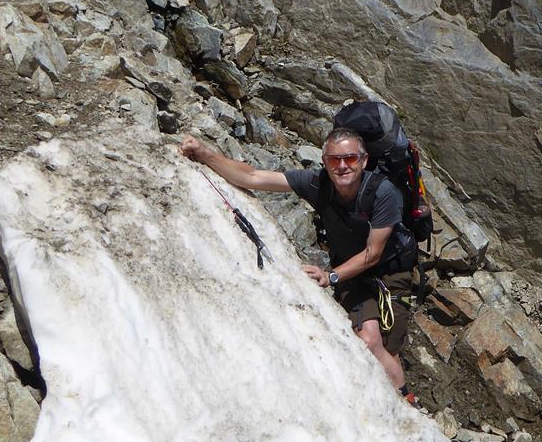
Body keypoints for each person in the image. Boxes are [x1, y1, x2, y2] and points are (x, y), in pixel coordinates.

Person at [179, 129, 418, 400]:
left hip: (390, 272)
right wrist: (205, 154)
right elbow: (253, 177)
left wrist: (332, 277)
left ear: (364, 161)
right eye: (334, 160)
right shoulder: (317, 183)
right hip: (351, 274)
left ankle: (406, 408)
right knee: (369, 341)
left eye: (350, 159)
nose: (342, 166)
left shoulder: (382, 192)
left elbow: (373, 253)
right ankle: (402, 402)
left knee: (390, 346)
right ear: (324, 161)